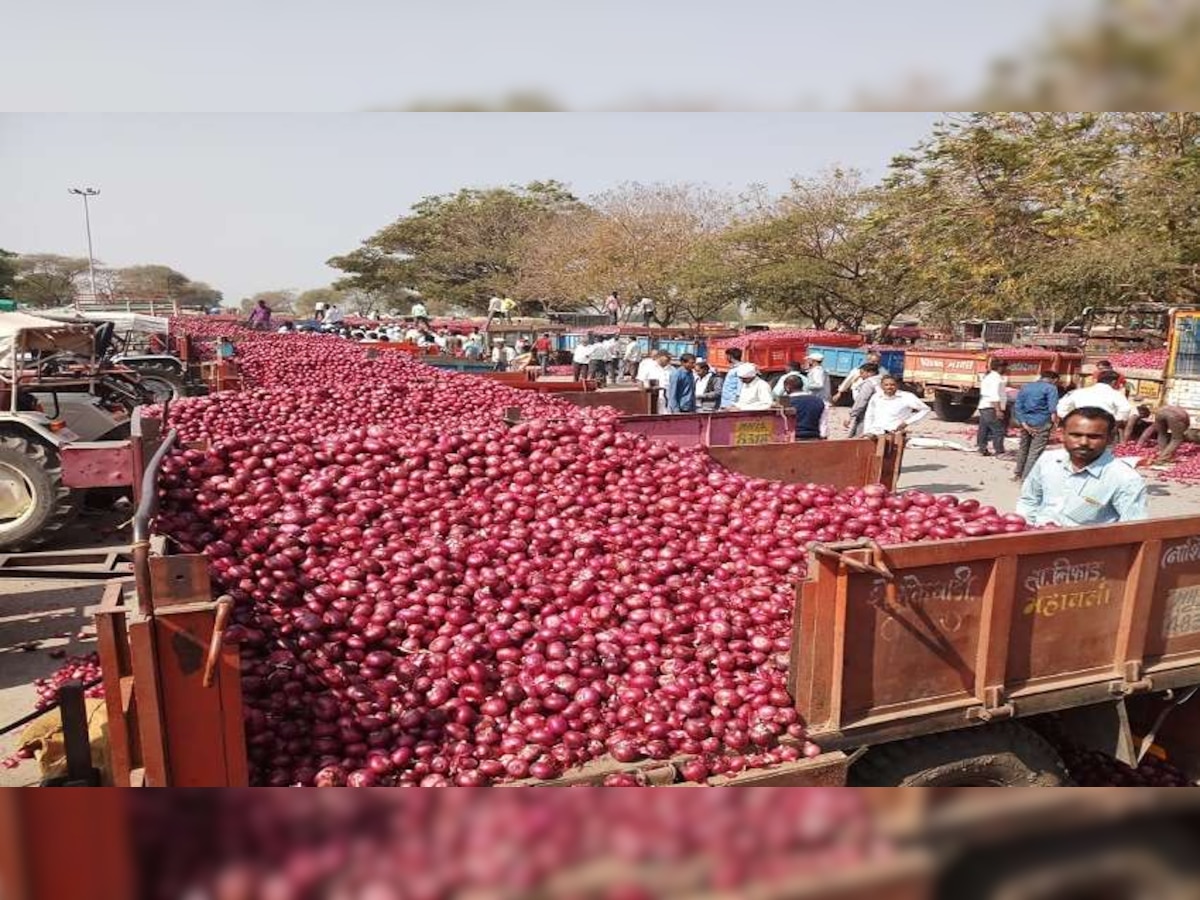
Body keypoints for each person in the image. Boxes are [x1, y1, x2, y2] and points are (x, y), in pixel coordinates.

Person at [1017, 407, 1148, 526]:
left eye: (1094, 437)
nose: (1083, 442)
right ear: (1061, 434)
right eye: (1076, 435)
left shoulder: (1125, 478)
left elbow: (1133, 528)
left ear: (1110, 439)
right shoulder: (1048, 460)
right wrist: (1025, 529)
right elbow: (1029, 500)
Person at [1012, 370, 1061, 482]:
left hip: (1025, 422)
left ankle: (1018, 473)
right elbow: (1053, 409)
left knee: (1023, 448)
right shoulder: (1051, 388)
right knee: (1035, 452)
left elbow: (1018, 407)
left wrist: (1024, 424)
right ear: (1054, 379)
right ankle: (1027, 478)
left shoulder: (1026, 387)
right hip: (1042, 423)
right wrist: (1055, 424)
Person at [1056, 370, 1133, 425]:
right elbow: (1126, 409)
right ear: (1114, 382)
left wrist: (1070, 419)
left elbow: (1062, 406)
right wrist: (1115, 421)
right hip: (1103, 427)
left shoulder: (1078, 392)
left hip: (1080, 425)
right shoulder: (1116, 394)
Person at [863, 375, 930, 437]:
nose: (889, 387)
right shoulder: (876, 397)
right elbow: (869, 414)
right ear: (882, 386)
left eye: (892, 385)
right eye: (886, 385)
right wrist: (867, 431)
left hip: (895, 433)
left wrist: (906, 422)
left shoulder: (906, 397)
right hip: (875, 432)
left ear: (897, 385)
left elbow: (925, 409)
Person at [976, 359, 1009, 457]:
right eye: (1005, 367)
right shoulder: (996, 379)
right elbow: (994, 395)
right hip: (991, 407)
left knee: (984, 428)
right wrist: (998, 410)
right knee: (998, 429)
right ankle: (999, 451)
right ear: (1000, 367)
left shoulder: (989, 377)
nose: (1006, 369)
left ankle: (982, 448)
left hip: (984, 406)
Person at [782, 374, 829, 440]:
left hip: (792, 439)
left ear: (787, 387)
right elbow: (823, 425)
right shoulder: (819, 401)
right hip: (814, 439)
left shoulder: (785, 402)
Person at [847, 362, 883, 438]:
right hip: (882, 414)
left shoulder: (869, 383)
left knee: (861, 437)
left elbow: (862, 400)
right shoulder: (883, 380)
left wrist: (852, 415)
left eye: (862, 373)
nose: (861, 376)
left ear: (870, 373)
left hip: (867, 414)